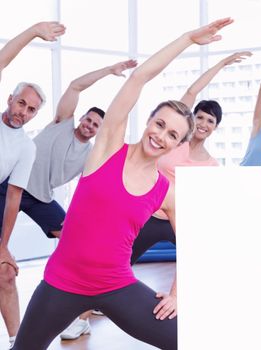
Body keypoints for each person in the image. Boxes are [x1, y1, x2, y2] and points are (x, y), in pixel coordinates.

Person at [12, 18, 232, 350]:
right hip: (61, 283)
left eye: (172, 134)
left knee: (186, 339)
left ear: (178, 145)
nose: (161, 136)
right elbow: (140, 77)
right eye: (159, 124)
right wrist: (187, 38)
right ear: (148, 121)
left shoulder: (166, 191)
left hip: (116, 286)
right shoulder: (107, 148)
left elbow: (192, 244)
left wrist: (177, 294)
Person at [4, 59, 137, 341]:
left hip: (41, 198)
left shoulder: (91, 155)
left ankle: (81, 305)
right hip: (10, 187)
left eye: (96, 125)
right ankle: (18, 337)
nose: (89, 125)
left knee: (75, 238)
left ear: (99, 131)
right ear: (81, 118)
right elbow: (76, 85)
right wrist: (108, 71)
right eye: (88, 119)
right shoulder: (61, 124)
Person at [130, 51, 251, 265]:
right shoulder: (174, 141)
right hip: (148, 215)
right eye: (200, 117)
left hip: (177, 221)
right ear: (192, 119)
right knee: (120, 261)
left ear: (215, 127)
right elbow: (192, 91)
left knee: (203, 261)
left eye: (210, 121)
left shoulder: (212, 164)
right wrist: (222, 63)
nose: (203, 124)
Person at [0, 21, 66, 350]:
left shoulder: (26, 147)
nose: (23, 112)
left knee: (5, 272)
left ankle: (18, 343)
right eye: (21, 104)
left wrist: (4, 245)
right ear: (10, 98)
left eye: (31, 110)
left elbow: (13, 197)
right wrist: (32, 32)